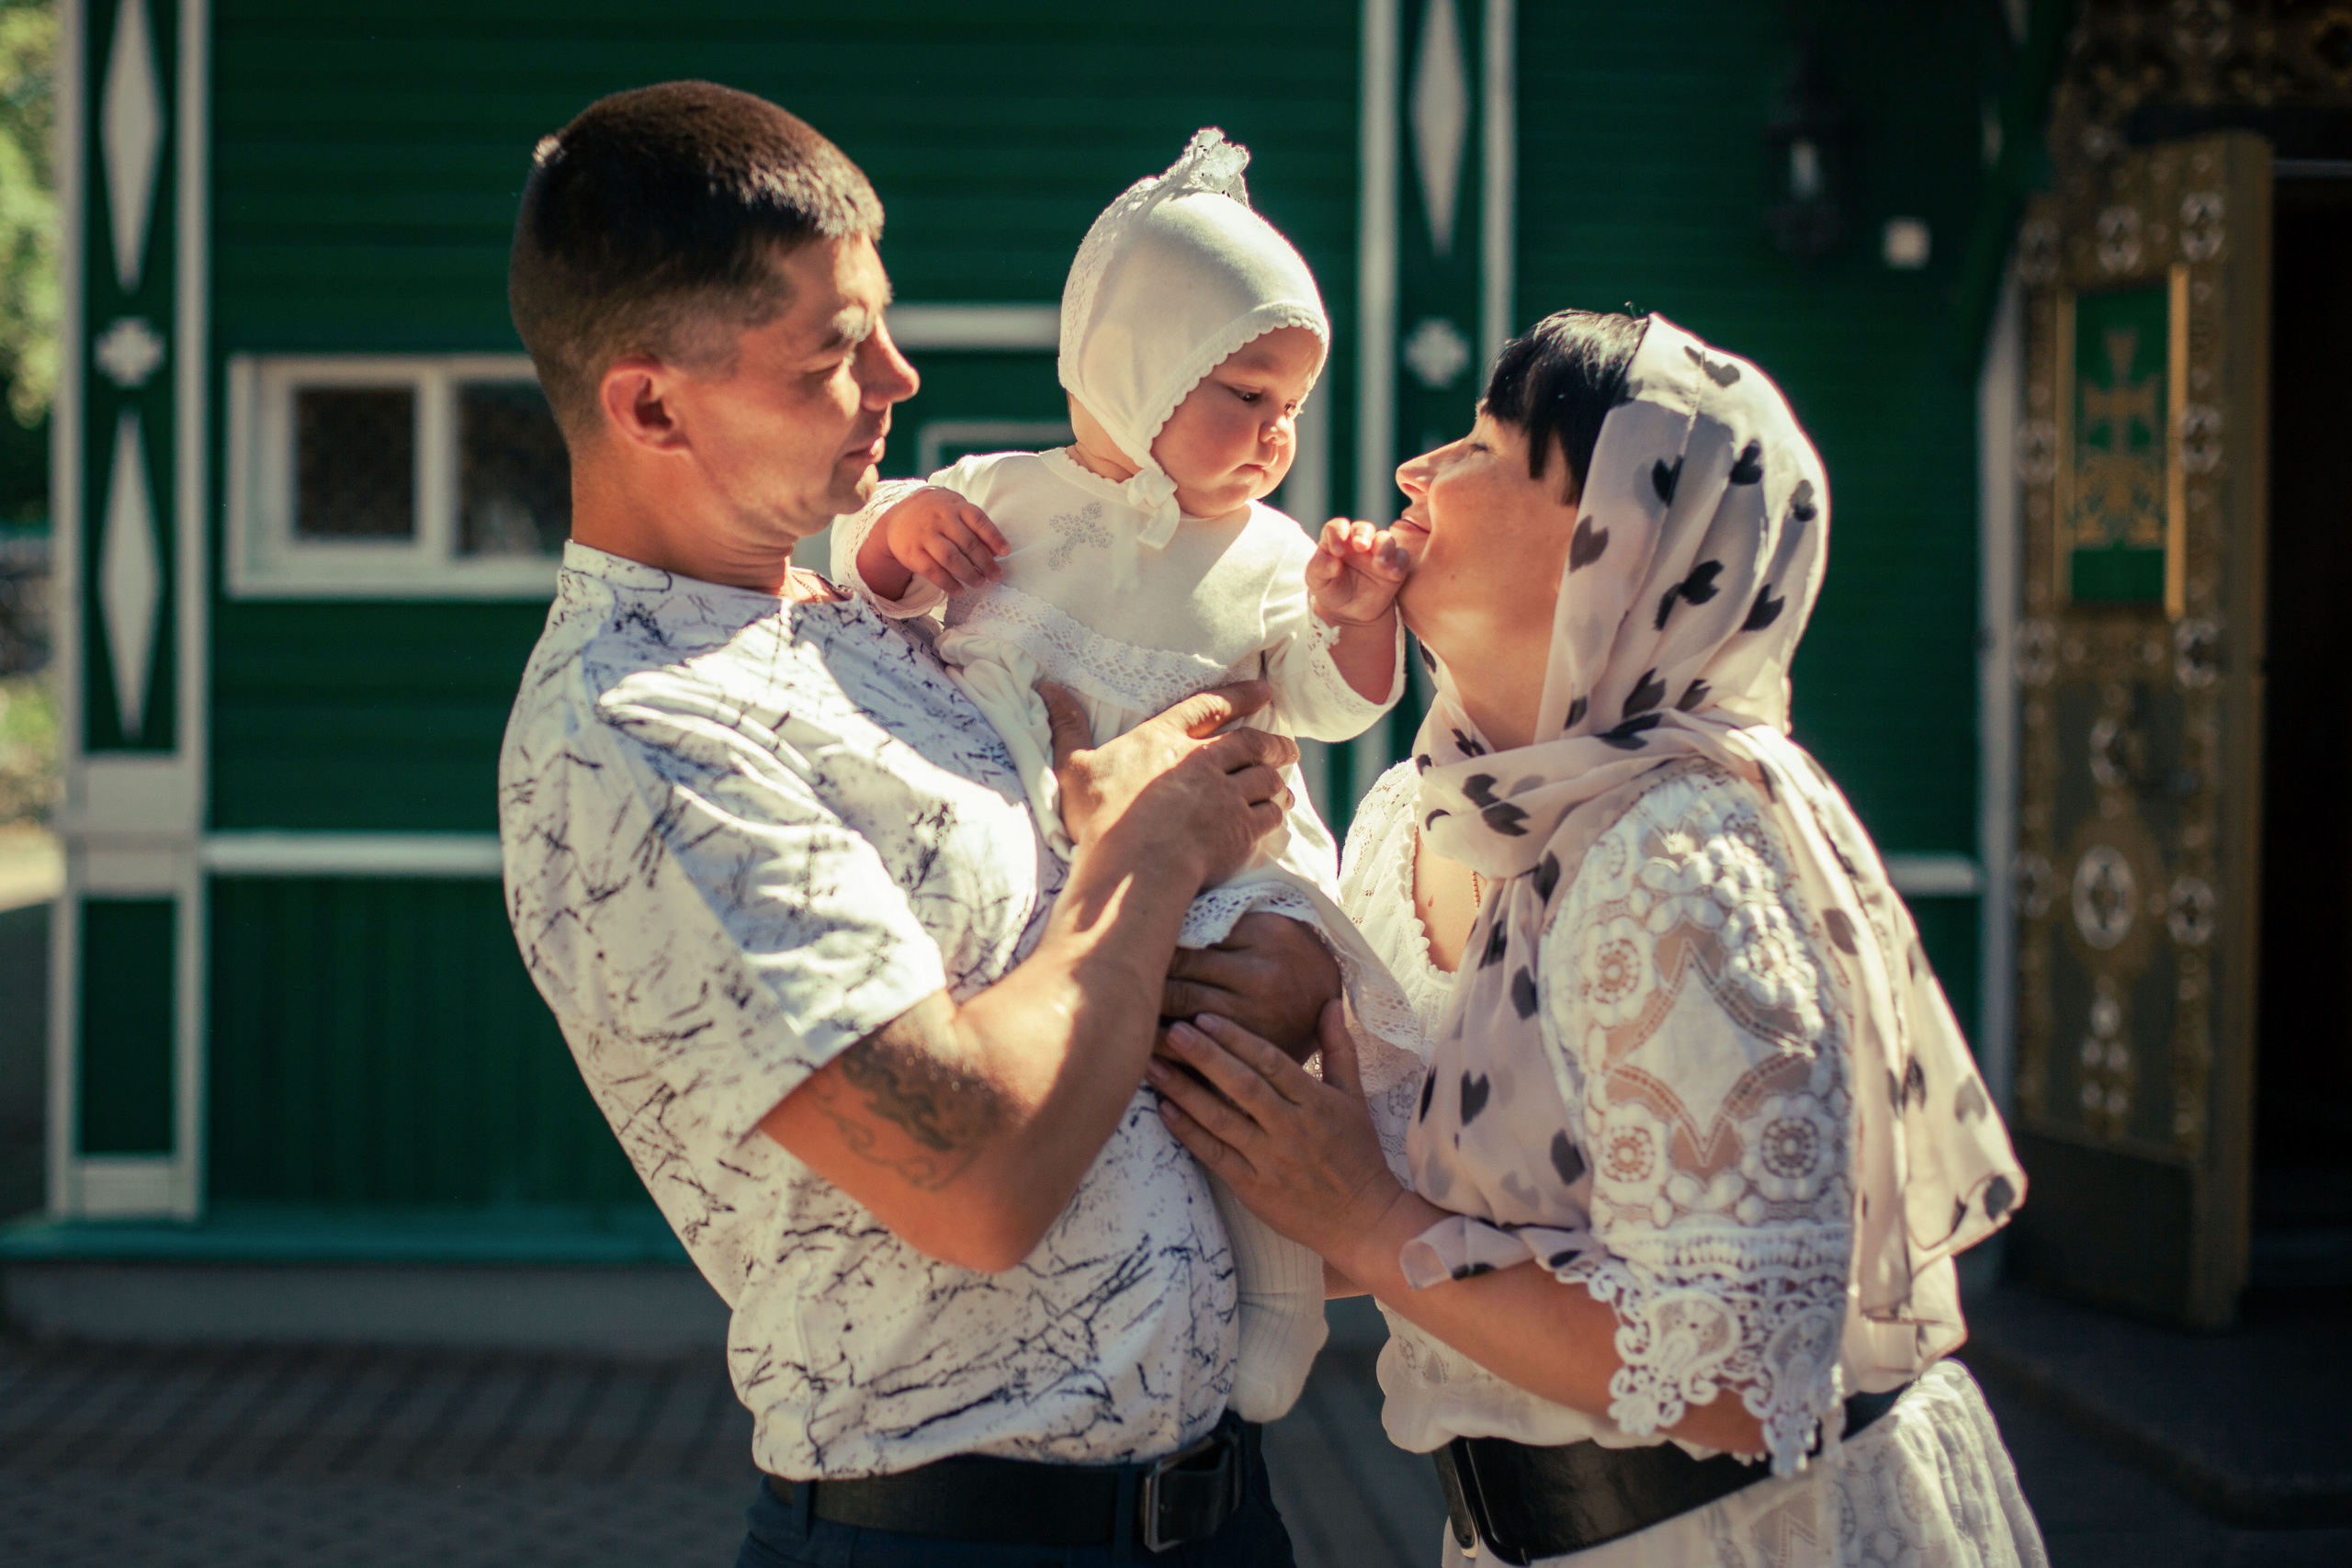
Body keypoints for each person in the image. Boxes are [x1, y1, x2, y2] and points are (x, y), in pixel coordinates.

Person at [496, 80, 1335, 1565]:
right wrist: (1149, 864)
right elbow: (976, 1180)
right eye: (836, 351)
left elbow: (1088, 938)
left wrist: (1272, 956)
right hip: (958, 1534)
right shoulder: (637, 732)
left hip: (1212, 1507)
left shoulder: (870, 619)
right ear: (651, 405)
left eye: (882, 325)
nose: (898, 374)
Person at [1149, 310, 2050, 1565]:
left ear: (1618, 545)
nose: (1417, 470)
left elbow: (1737, 1374)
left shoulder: (1684, 853)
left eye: (1484, 446)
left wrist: (1364, 1217)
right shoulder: (1418, 815)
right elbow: (1402, 1209)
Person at [829, 126, 1419, 1423]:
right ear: (1136, 368)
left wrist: (1353, 617)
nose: (1276, 435)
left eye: (1292, 410)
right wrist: (898, 534)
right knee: (1077, 1097)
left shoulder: (1268, 555)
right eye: (1246, 393)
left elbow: (1325, 702)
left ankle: (1278, 1307)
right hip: (1031, 871)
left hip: (1216, 881)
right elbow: (872, 587)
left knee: (1234, 1078)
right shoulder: (1003, 493)